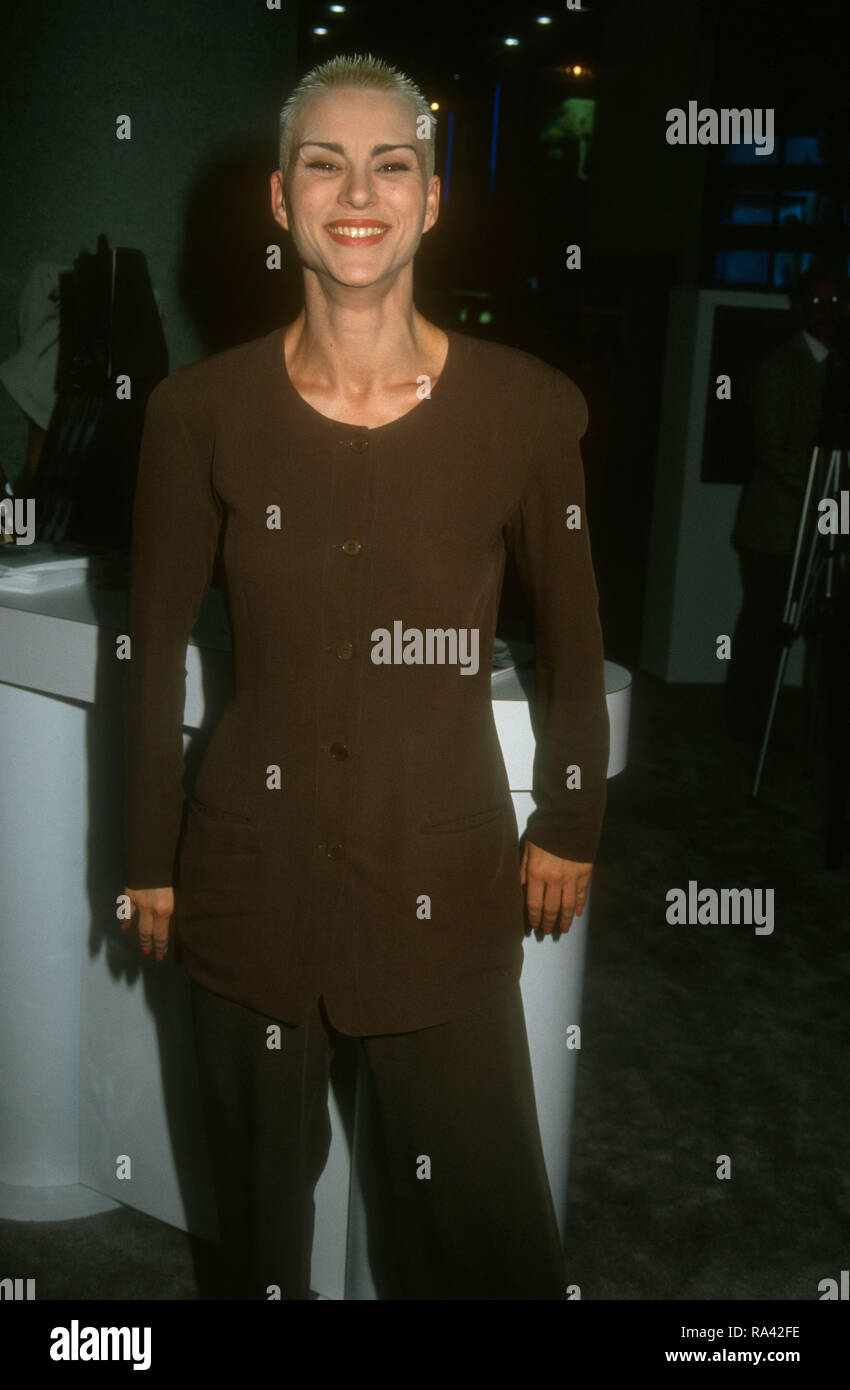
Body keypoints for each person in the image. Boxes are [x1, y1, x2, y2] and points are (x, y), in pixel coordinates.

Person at [121, 52, 609, 1301]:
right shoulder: (195, 414)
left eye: (390, 162)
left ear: (430, 200)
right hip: (244, 883)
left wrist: (568, 817)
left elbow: (570, 636)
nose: (358, 190)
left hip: (442, 882)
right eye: (322, 162)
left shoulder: (527, 410)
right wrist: (146, 850)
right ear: (279, 201)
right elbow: (153, 649)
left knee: (489, 1244)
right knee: (259, 1246)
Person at [727, 263, 850, 745]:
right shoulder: (780, 366)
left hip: (825, 522)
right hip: (777, 528)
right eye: (817, 303)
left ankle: (816, 725)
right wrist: (831, 497)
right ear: (801, 308)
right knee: (765, 625)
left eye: (835, 303)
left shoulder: (841, 365)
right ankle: (748, 724)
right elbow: (773, 450)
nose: (827, 313)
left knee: (826, 625)